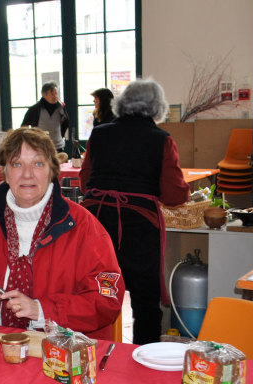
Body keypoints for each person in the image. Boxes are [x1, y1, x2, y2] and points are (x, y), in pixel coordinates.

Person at [0, 127, 124, 341]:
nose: (27, 174)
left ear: (52, 171)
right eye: (16, 164)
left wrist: (41, 310)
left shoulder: (84, 226)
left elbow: (108, 297)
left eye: (38, 163)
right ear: (5, 172)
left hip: (66, 353)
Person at [80, 78, 190, 344]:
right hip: (140, 228)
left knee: (92, 292)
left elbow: (85, 182)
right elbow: (175, 195)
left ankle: (87, 351)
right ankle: (144, 358)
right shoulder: (161, 140)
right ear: (157, 108)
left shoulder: (99, 133)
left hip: (96, 224)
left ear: (121, 105)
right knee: (145, 301)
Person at [21, 82, 69, 152]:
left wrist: (61, 136)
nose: (55, 96)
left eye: (56, 93)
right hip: (40, 147)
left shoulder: (61, 108)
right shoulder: (35, 109)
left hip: (58, 147)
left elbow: (66, 123)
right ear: (44, 95)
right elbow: (24, 127)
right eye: (52, 94)